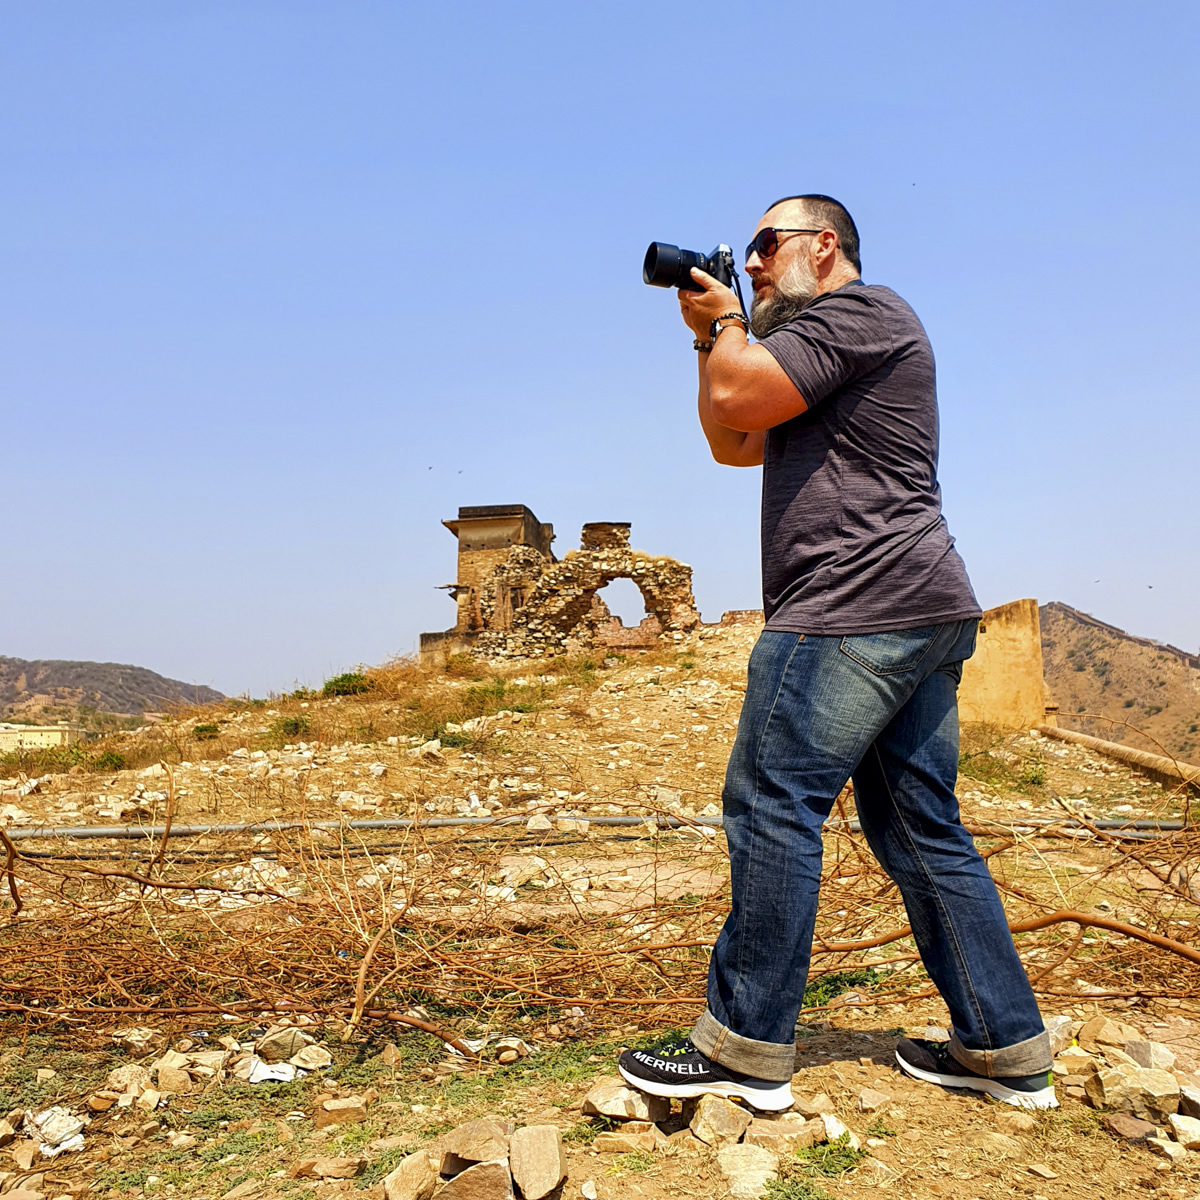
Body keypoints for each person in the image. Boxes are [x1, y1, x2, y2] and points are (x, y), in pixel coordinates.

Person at [617, 194, 1056, 1112]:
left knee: (774, 803)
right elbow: (734, 440)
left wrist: (731, 323)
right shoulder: (813, 347)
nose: (758, 262)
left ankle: (745, 1051)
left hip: (851, 604)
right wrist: (712, 338)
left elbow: (740, 398)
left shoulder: (866, 310)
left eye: (768, 246)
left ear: (827, 245)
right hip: (919, 603)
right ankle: (1004, 1046)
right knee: (917, 826)